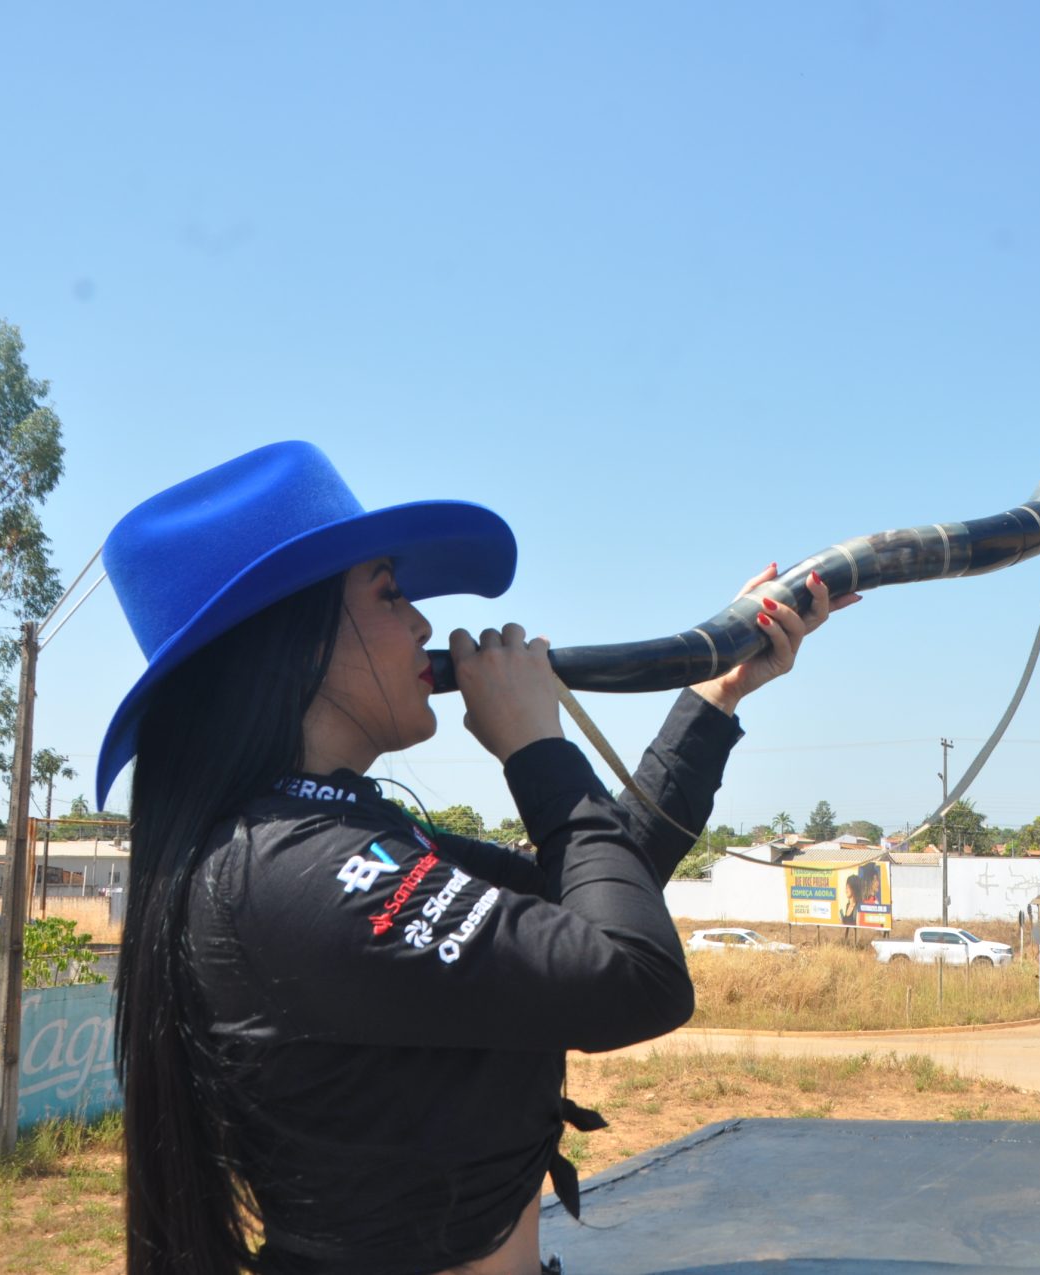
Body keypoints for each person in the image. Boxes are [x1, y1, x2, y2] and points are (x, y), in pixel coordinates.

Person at [104, 442, 856, 1275]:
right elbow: (632, 975)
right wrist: (537, 749)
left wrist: (716, 696)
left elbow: (597, 892)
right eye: (389, 593)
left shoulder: (327, 837)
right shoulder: (286, 869)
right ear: (295, 640)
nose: (426, 625)